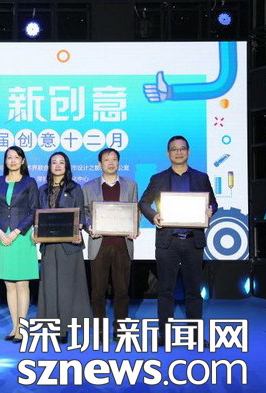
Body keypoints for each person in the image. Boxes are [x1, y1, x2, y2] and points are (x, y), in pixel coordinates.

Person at [138, 136, 217, 345]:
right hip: (168, 241)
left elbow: (213, 203)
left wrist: (210, 210)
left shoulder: (201, 177)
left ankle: (195, 334)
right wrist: (154, 216)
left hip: (193, 241)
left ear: (188, 152)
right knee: (165, 290)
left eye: (182, 149)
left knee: (194, 291)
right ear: (168, 154)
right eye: (174, 149)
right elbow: (143, 203)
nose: (178, 152)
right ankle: (164, 334)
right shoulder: (158, 179)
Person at [83, 148, 138, 342]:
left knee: (122, 291)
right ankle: (99, 330)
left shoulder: (130, 185)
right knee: (97, 291)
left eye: (114, 159)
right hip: (99, 244)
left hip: (123, 244)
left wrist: (134, 228)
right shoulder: (88, 187)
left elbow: (135, 211)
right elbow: (85, 213)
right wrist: (89, 227)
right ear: (100, 164)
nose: (111, 163)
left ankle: (120, 329)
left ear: (119, 162)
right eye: (106, 160)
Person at [37, 152, 91, 344]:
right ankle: (51, 325)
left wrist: (79, 228)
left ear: (66, 166)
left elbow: (81, 214)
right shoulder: (42, 190)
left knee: (67, 288)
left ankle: (65, 328)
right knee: (50, 286)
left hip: (69, 245)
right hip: (49, 245)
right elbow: (38, 215)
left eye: (61, 162)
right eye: (54, 162)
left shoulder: (75, 188)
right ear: (49, 166)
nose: (58, 166)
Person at [0, 146, 39, 343]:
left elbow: (33, 210)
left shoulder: (29, 182)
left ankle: (22, 328)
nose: (12, 161)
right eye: (9, 157)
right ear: (5, 161)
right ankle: (14, 327)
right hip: (2, 236)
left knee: (22, 283)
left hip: (22, 237)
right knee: (9, 284)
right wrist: (0, 232)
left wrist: (17, 231)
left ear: (23, 160)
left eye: (16, 157)